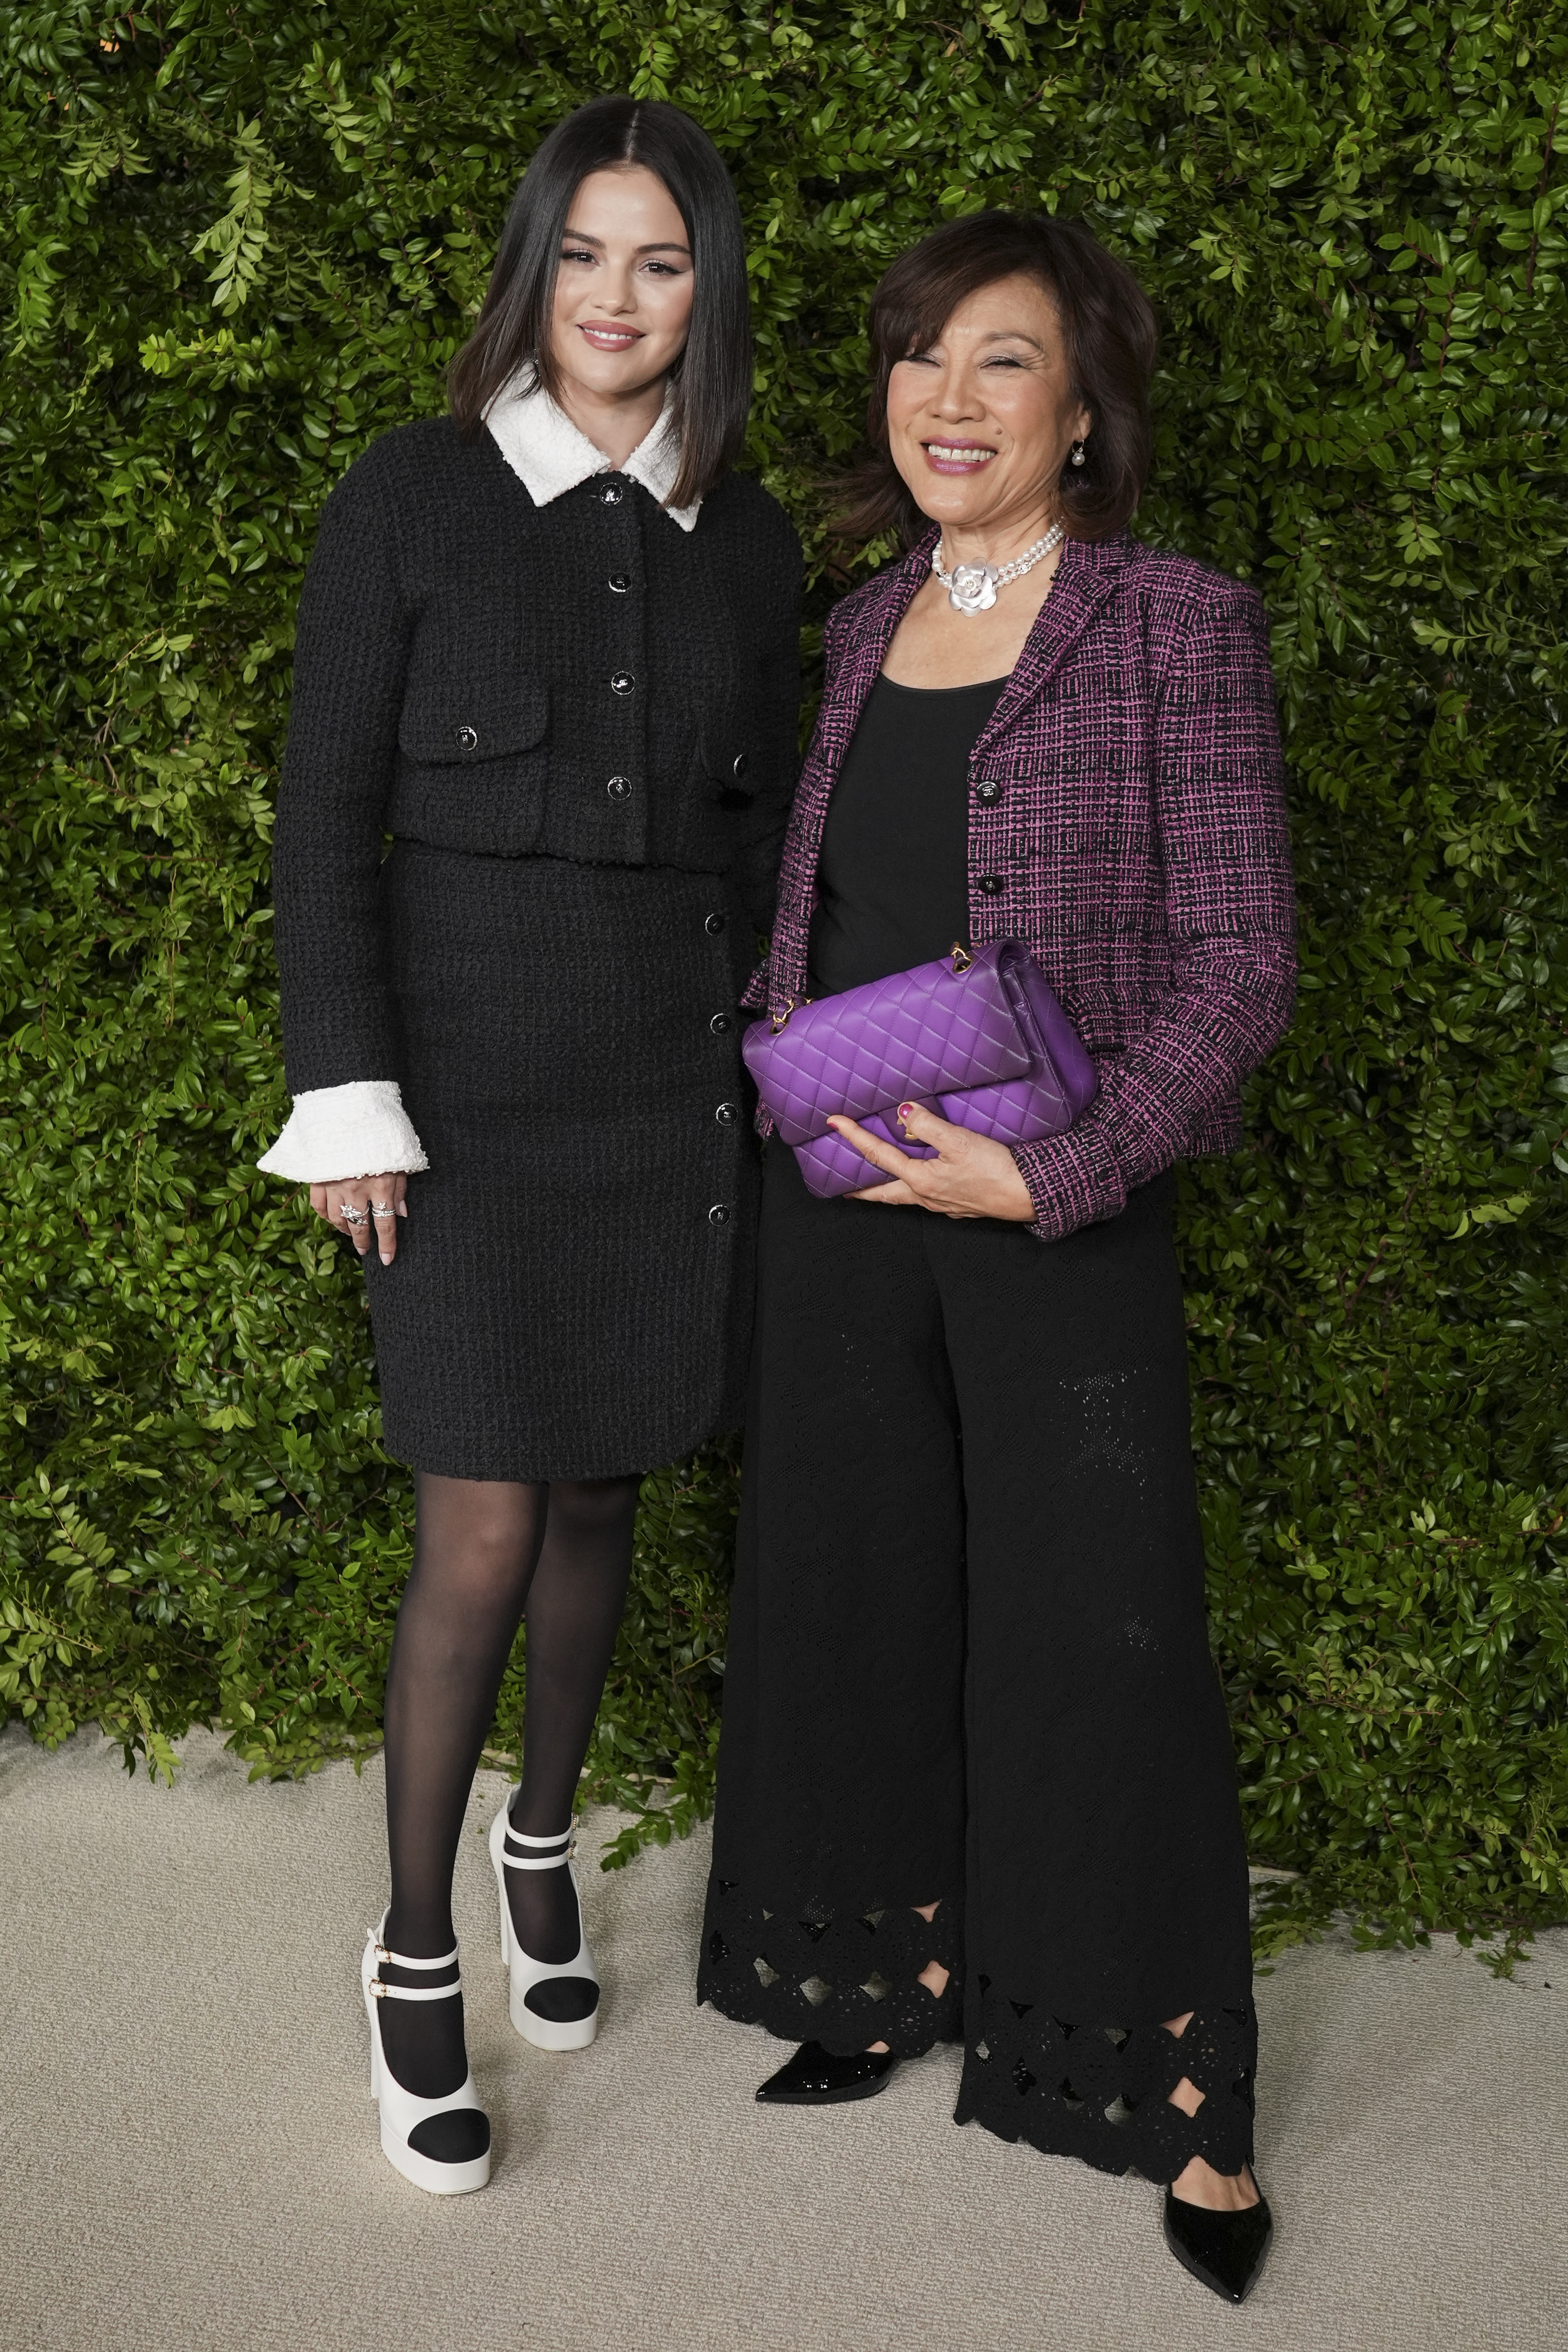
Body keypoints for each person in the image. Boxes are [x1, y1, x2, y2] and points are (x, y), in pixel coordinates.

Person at [697, 211, 1295, 2305]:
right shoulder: (859, 625)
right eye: (919, 359)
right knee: (852, 1593)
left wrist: (1053, 1176)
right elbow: (827, 914)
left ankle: (1182, 2105)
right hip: (842, 1201)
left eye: (1002, 364)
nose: (947, 402)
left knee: (1100, 1641)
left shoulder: (1170, 623)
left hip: (1056, 1210)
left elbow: (1237, 968)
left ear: (1079, 406)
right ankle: (879, 1968)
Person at [259, 95, 801, 2196]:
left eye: (660, 262)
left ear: (705, 288)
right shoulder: (405, 494)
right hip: (463, 1094)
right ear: (530, 267)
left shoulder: (745, 533)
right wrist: (347, 1098)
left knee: (599, 1484)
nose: (615, 300)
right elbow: (322, 821)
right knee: (477, 1520)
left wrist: (776, 1075)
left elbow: (756, 841)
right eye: (582, 255)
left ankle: (543, 1828)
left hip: (661, 1080)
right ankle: (410, 1948)